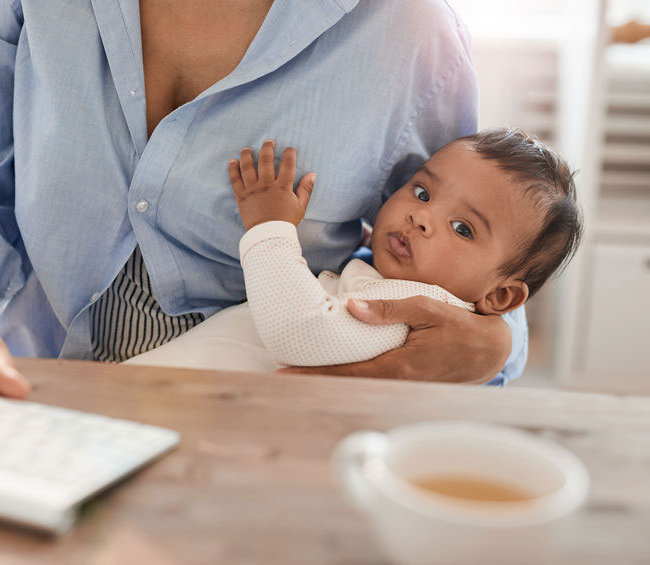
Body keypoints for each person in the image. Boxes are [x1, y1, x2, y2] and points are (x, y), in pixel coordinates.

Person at [0, 0, 527, 410]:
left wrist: (497, 343)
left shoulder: (410, 32)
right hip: (30, 397)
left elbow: (476, 246)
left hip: (268, 435)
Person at [127, 130, 581, 380]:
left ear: (500, 297)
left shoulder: (422, 318)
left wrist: (270, 228)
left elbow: (299, 332)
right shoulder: (382, 272)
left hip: (193, 417)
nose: (421, 218)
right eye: (422, 192)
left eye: (462, 228)